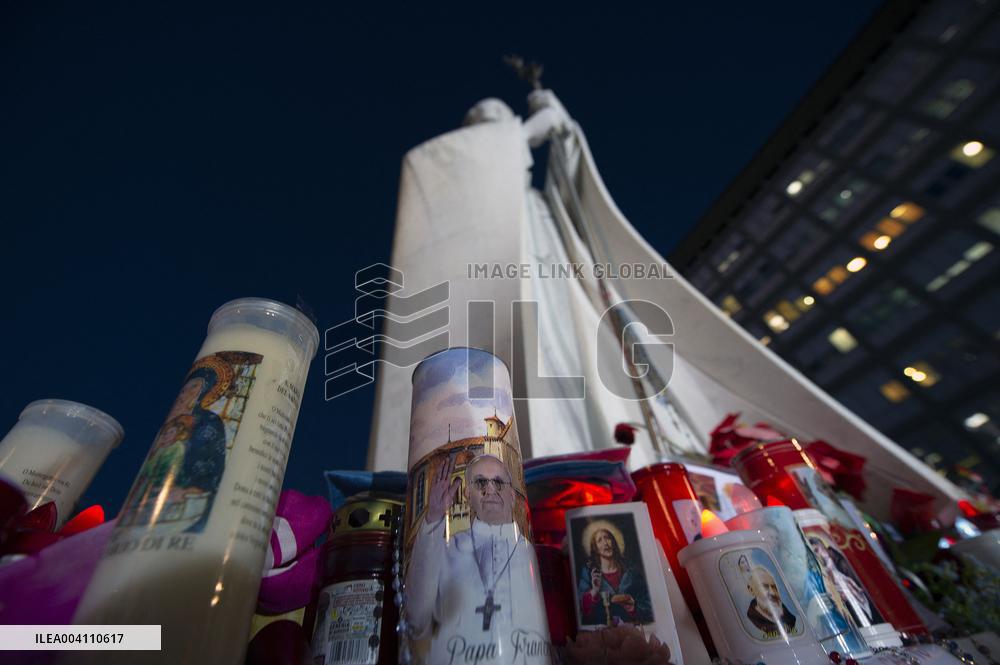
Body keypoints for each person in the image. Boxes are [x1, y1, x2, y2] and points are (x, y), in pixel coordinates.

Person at [405, 453, 549, 664]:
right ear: (468, 494)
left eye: (498, 482)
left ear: (512, 496)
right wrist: (433, 518)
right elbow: (417, 620)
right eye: (481, 482)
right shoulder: (448, 549)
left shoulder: (532, 555)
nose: (490, 489)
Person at [577, 521, 652, 626]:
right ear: (595, 548)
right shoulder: (589, 573)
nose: (605, 543)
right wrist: (594, 591)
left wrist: (633, 608)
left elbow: (649, 606)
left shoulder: (631, 572)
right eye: (599, 540)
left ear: (613, 541)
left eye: (607, 538)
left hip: (632, 630)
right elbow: (581, 611)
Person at [744, 563, 798, 638]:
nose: (773, 592)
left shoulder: (789, 618)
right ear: (751, 590)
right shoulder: (753, 621)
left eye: (774, 587)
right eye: (765, 587)